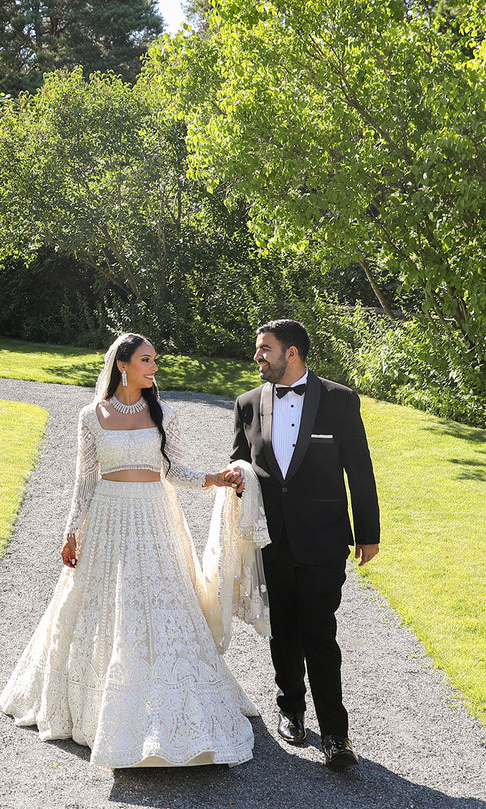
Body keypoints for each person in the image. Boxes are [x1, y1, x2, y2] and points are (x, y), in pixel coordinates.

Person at [0, 332, 258, 769]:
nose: (154, 367)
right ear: (122, 365)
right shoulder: (90, 416)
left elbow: (174, 471)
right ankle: (99, 705)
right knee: (105, 607)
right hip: (106, 517)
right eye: (145, 360)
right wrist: (71, 532)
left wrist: (214, 479)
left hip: (154, 517)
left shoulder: (165, 413)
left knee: (160, 605)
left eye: (154, 360)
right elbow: (84, 481)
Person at [227, 319, 380, 771]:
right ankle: (290, 708)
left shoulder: (339, 399)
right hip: (270, 540)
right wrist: (235, 481)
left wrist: (368, 533)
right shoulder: (247, 404)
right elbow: (240, 462)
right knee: (283, 629)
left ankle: (335, 734)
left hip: (323, 539)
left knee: (320, 632)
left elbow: (360, 468)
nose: (257, 356)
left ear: (291, 352)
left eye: (264, 349)